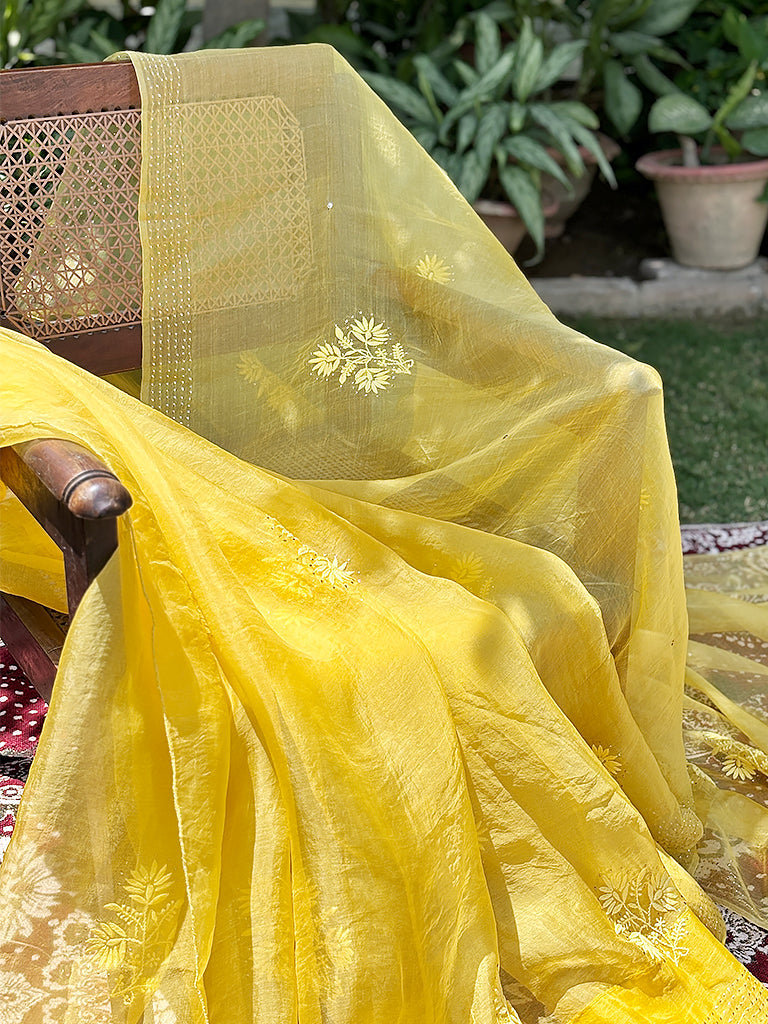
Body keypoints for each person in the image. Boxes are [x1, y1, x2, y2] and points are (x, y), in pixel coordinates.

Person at [1, 45, 767, 1024]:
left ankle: (529, 831)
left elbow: (412, 285)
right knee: (378, 654)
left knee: (532, 596)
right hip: (172, 501)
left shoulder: (316, 155)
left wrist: (608, 387)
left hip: (291, 475)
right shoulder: (23, 375)